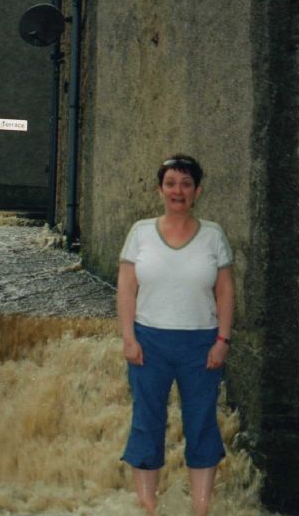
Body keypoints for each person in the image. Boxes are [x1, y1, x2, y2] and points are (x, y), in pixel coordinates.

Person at [116, 154, 234, 516]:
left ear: (197, 191)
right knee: (147, 421)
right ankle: (148, 507)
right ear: (160, 189)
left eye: (185, 184)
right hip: (149, 343)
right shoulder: (140, 232)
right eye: (170, 183)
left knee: (201, 423)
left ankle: (201, 508)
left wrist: (222, 340)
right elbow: (126, 287)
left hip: (201, 345)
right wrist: (129, 338)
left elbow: (226, 291)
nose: (177, 191)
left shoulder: (213, 235)